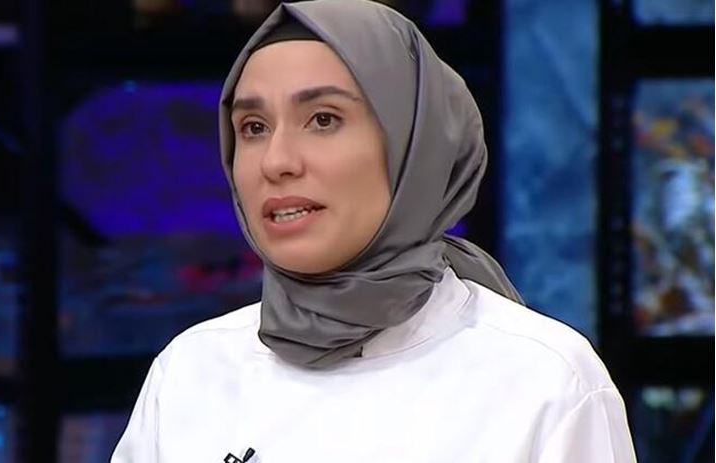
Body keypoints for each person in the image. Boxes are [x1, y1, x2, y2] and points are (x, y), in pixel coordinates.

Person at [112, 1, 637, 461]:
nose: (276, 161)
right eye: (253, 128)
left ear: (414, 146)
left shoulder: (545, 381)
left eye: (323, 119)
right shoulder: (190, 373)